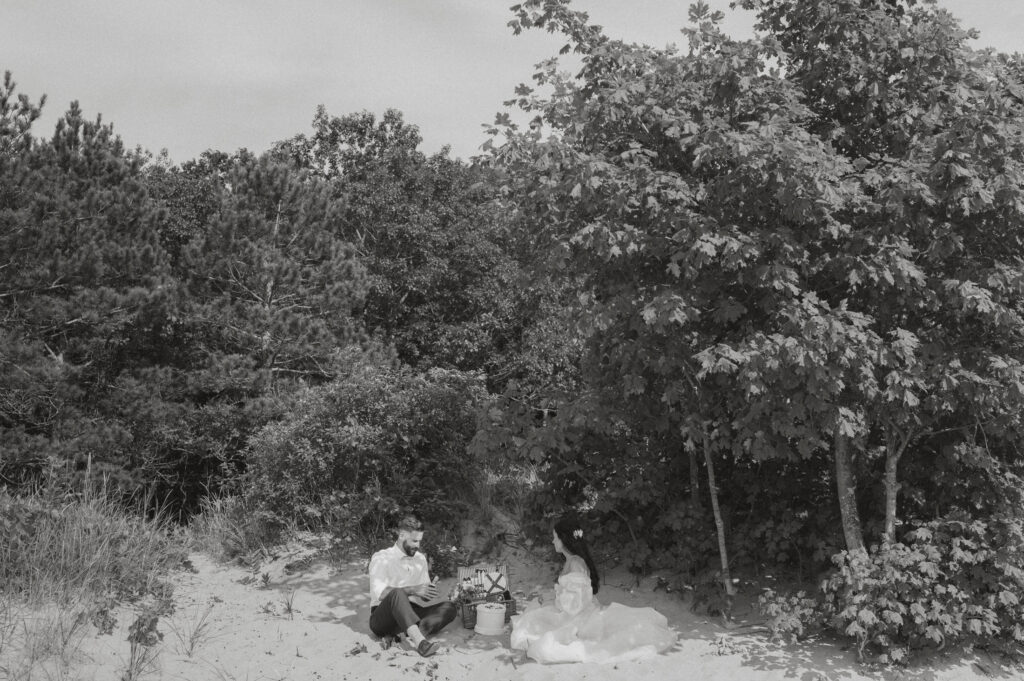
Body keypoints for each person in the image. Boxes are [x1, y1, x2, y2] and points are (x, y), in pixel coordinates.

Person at [510, 517, 677, 664]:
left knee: (536, 629)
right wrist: (552, 595)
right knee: (534, 616)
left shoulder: (575, 563)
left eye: (555, 538)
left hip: (578, 615)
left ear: (564, 539)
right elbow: (570, 592)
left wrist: (555, 598)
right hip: (574, 610)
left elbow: (575, 605)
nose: (553, 541)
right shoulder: (572, 561)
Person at [368, 515, 457, 657]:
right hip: (382, 617)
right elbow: (381, 593)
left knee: (450, 608)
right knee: (398, 593)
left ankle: (401, 635)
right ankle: (420, 642)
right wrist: (413, 590)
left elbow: (424, 596)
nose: (418, 545)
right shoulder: (381, 557)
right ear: (402, 535)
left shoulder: (420, 559)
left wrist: (430, 591)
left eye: (420, 541)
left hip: (411, 614)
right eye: (414, 541)